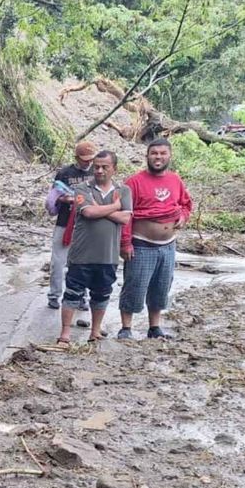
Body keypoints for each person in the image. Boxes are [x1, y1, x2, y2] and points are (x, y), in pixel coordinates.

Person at [117, 138, 193, 340]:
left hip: (168, 246)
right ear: (147, 156)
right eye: (154, 153)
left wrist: (183, 217)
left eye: (162, 153)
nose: (158, 157)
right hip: (141, 244)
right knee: (135, 285)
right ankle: (126, 328)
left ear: (169, 156)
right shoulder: (133, 182)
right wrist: (125, 243)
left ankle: (154, 327)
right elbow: (125, 215)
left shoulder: (175, 180)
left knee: (161, 286)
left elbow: (186, 204)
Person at [57, 151, 131, 344]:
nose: (99, 170)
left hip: (108, 256)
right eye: (96, 166)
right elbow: (88, 212)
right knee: (72, 293)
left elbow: (126, 218)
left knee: (102, 294)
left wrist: (103, 209)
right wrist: (115, 207)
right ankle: (65, 334)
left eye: (104, 167)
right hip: (81, 254)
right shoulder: (83, 188)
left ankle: (95, 330)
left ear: (114, 168)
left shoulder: (123, 191)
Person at [47, 141, 97, 312]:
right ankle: (54, 295)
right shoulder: (64, 173)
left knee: (83, 263)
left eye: (90, 159)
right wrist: (66, 199)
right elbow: (54, 197)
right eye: (84, 160)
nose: (88, 163)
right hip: (64, 222)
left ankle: (81, 296)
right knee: (58, 262)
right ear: (76, 158)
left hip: (87, 225)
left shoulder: (96, 171)